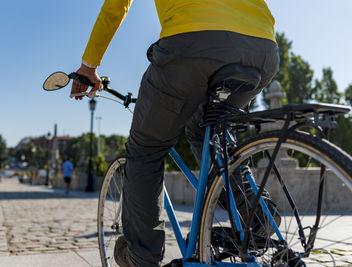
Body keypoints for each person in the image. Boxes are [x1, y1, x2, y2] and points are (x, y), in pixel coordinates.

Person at [71, 1, 279, 266]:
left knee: (146, 148)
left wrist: (89, 66)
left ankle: (141, 257)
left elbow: (116, 6)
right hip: (262, 45)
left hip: (192, 42)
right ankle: (257, 215)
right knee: (205, 129)